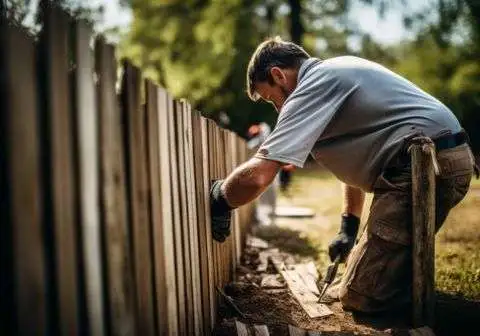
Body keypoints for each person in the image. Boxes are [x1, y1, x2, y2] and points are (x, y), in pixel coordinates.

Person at [209, 37, 478, 313]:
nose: (278, 109)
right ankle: (403, 287)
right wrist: (348, 227)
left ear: (278, 75)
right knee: (352, 284)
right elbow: (353, 160)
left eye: (272, 98)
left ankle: (450, 314)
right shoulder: (334, 71)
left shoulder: (311, 87)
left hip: (425, 165)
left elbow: (258, 176)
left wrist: (221, 196)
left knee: (359, 295)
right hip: (435, 159)